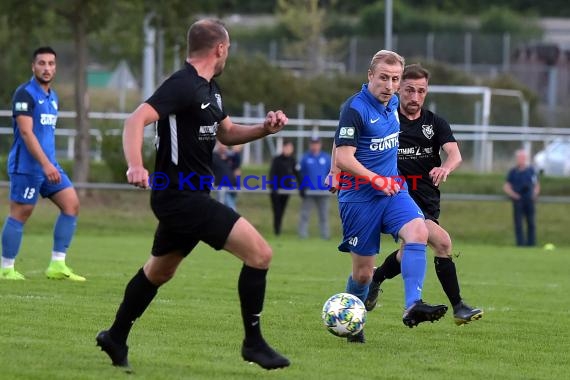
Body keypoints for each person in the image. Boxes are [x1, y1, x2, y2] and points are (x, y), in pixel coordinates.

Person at [95, 19, 290, 371]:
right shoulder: (182, 84)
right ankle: (253, 343)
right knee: (260, 254)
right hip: (180, 197)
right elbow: (135, 120)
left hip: (189, 197)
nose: (227, 54)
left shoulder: (210, 89)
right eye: (227, 49)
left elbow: (227, 134)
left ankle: (115, 337)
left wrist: (265, 128)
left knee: (158, 272)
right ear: (219, 48)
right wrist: (135, 165)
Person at [330, 50, 448, 343]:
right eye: (384, 77)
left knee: (419, 231)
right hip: (359, 197)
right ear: (370, 76)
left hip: (393, 190)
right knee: (362, 275)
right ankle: (353, 322)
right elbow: (345, 154)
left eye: (395, 79)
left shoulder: (393, 102)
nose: (390, 85)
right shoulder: (354, 108)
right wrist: (361, 176)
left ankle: (412, 305)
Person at [364, 63, 483, 326]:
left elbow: (455, 154)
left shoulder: (434, 123)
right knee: (442, 243)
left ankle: (376, 277)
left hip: (428, 198)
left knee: (407, 252)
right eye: (409, 90)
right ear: (398, 88)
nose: (415, 97)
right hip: (398, 198)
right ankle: (458, 306)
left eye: (421, 91)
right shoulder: (387, 118)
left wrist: (445, 167)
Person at [0, 46, 85, 282]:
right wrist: (46, 165)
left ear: (55, 68)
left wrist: (50, 164)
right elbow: (27, 133)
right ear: (33, 66)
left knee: (71, 204)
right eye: (42, 63)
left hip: (49, 165)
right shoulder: (24, 94)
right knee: (21, 212)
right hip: (27, 166)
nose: (47, 68)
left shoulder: (53, 97)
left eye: (51, 64)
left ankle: (57, 265)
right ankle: (6, 268)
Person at [503, 149, 540, 247]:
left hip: (529, 200)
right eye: (519, 157)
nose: (521, 159)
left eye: (523, 158)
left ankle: (531, 244)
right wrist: (514, 195)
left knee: (531, 223)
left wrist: (534, 194)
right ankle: (520, 244)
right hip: (518, 200)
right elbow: (506, 186)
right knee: (518, 224)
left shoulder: (531, 171)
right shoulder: (513, 172)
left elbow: (536, 185)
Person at [298, 137, 331, 240]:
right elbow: (300, 174)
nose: (314, 146)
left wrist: (330, 185)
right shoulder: (305, 158)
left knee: (324, 215)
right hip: (309, 191)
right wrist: (302, 187)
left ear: (320, 144)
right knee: (305, 214)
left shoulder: (326, 158)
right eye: (312, 143)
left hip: (323, 191)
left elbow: (331, 172)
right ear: (310, 145)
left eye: (316, 143)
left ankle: (325, 235)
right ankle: (302, 235)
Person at [268, 140, 298, 235]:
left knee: (282, 210)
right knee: (277, 210)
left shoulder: (293, 160)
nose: (288, 150)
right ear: (283, 148)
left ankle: (278, 230)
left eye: (290, 148)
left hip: (286, 190)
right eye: (287, 147)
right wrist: (273, 187)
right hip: (276, 191)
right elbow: (272, 174)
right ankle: (277, 230)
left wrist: (302, 185)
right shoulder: (277, 160)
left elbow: (297, 174)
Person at [212, 141, 240, 210]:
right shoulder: (214, 157)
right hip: (221, 186)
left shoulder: (231, 157)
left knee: (230, 207)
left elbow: (237, 169)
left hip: (232, 186)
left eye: (224, 144)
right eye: (221, 144)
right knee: (225, 207)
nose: (223, 146)